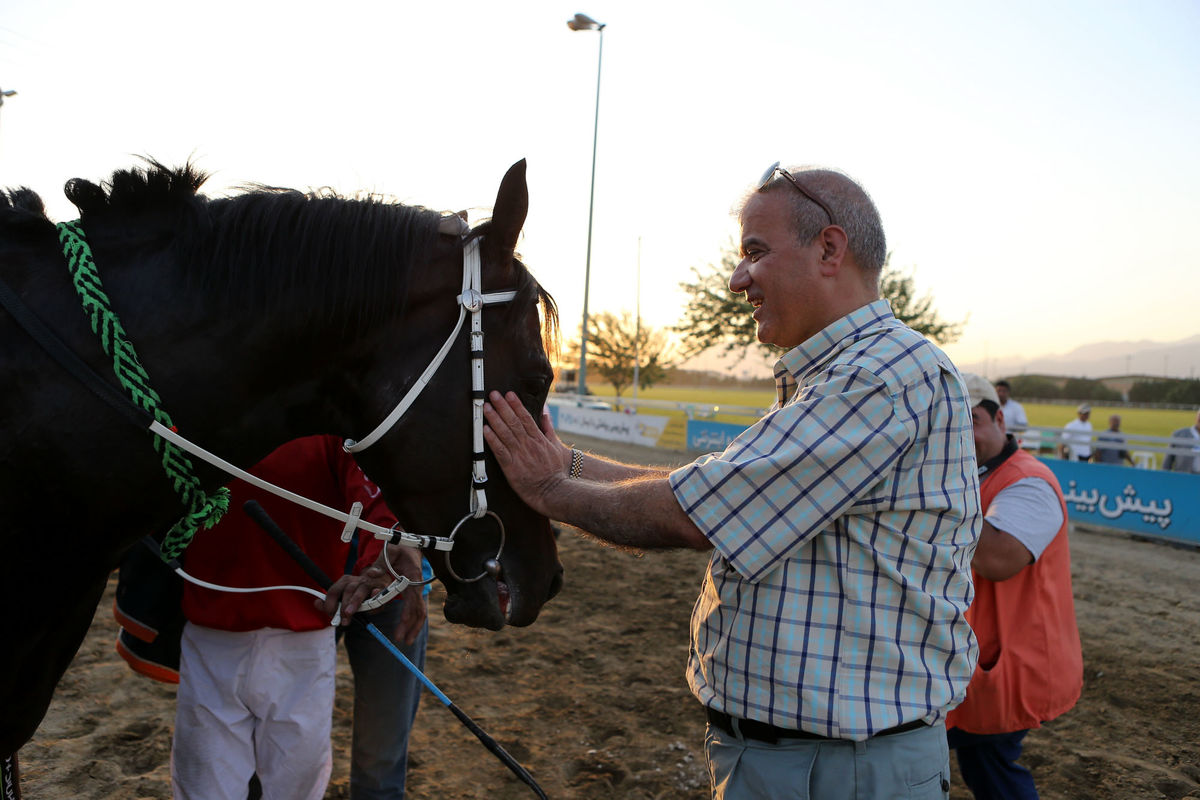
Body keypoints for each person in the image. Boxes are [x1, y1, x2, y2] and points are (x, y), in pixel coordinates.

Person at [456, 164, 980, 798]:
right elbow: (711, 489)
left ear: (830, 249)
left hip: (838, 770)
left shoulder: (881, 376)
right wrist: (564, 462)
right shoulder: (842, 376)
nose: (737, 281)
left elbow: (691, 512)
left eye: (754, 254)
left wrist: (551, 491)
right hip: (815, 761)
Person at [168, 435, 428, 800]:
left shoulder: (328, 417)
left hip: (305, 638)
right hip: (212, 637)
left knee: (305, 785)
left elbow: (377, 489)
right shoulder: (191, 402)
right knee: (205, 788)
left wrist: (394, 541)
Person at [947, 374, 1083, 799]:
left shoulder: (1029, 483)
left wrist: (929, 493)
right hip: (977, 662)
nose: (961, 436)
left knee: (990, 767)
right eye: (949, 424)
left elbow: (997, 559)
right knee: (982, 765)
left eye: (970, 421)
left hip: (1010, 666)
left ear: (1000, 418)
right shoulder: (973, 477)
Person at [1162, 408, 1200, 474]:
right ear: (1196, 417)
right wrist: (1164, 478)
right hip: (1183, 478)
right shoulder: (1179, 434)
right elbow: (1167, 462)